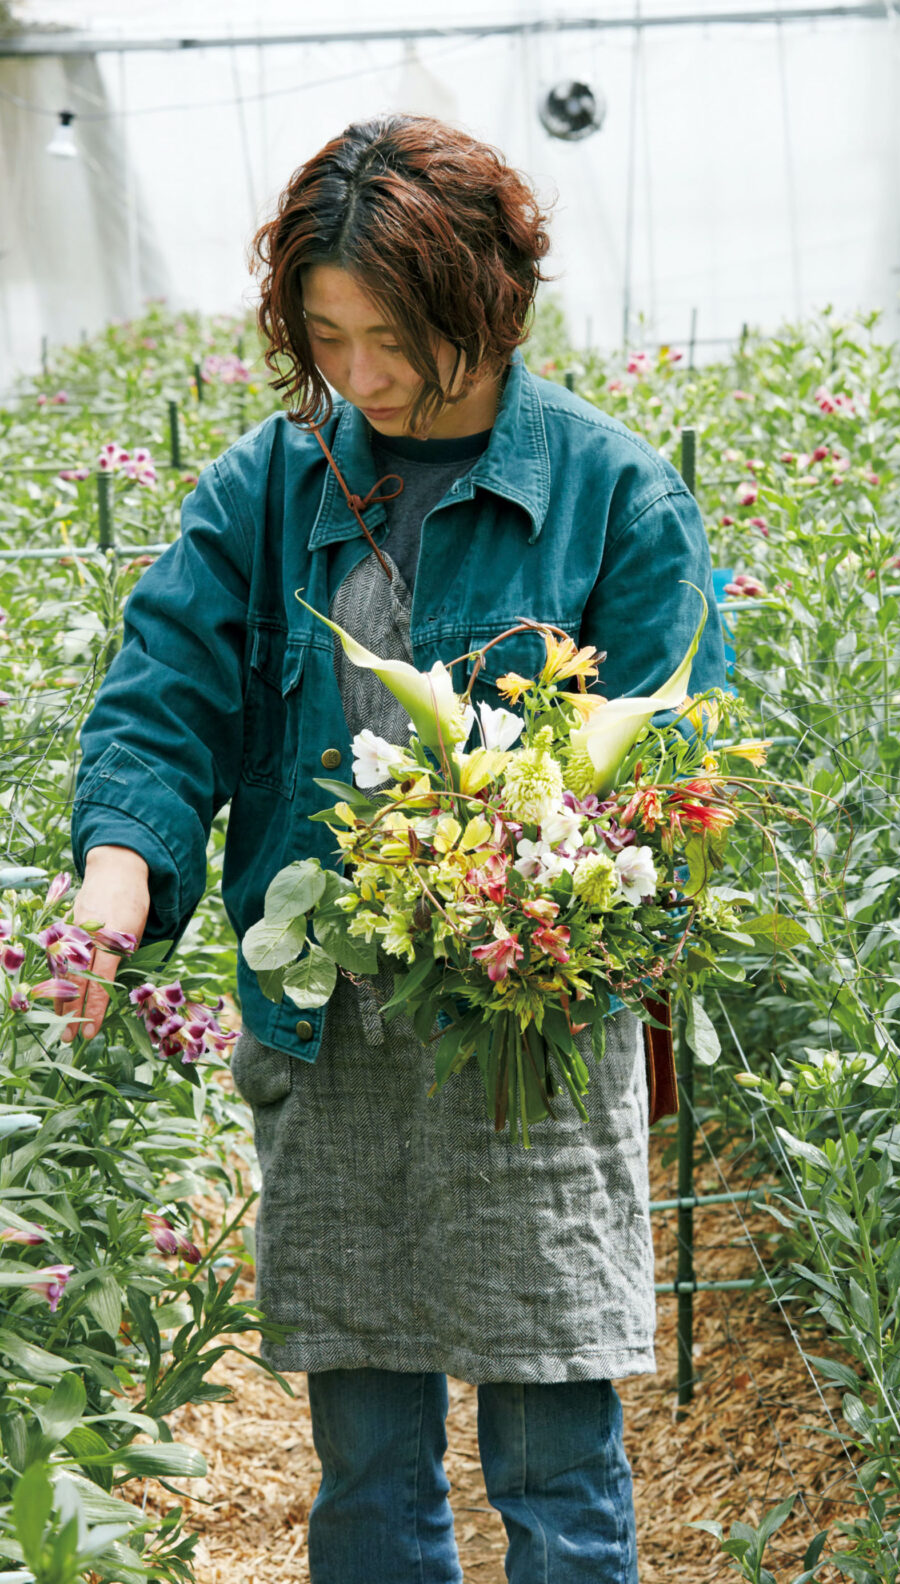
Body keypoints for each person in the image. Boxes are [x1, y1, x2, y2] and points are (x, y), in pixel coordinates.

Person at [62, 114, 726, 1584]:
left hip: (527, 1035)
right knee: (367, 1461)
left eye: (392, 339)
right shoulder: (270, 489)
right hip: (334, 1028)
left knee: (554, 1459)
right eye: (327, 337)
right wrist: (121, 871)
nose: (358, 377)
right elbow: (165, 689)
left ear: (486, 306)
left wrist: (538, 871)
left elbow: (677, 761)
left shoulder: (616, 499)